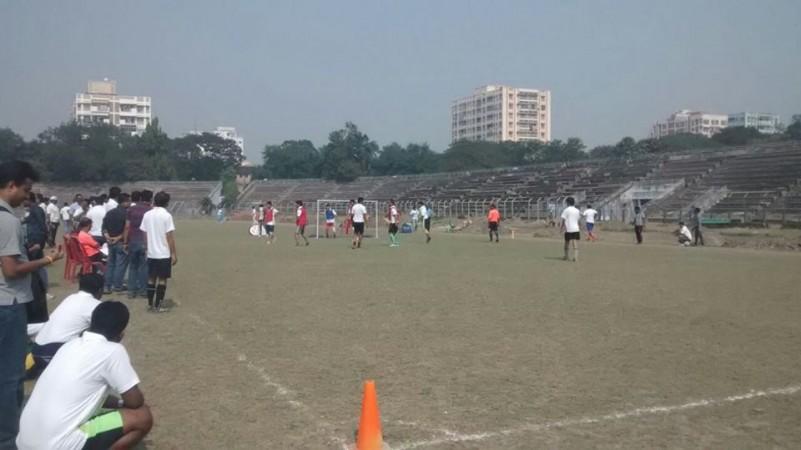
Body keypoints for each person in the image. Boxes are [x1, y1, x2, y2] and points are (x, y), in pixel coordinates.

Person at [17, 301, 153, 450]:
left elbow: (83, 393)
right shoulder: (113, 351)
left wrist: (119, 404)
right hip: (56, 444)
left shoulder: (69, 345)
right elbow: (135, 402)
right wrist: (125, 403)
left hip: (25, 441)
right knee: (142, 416)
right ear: (121, 334)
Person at [0, 160, 64, 448]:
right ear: (11, 185)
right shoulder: (8, 220)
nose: (27, 196)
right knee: (10, 376)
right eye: (25, 190)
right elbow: (11, 269)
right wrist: (47, 260)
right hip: (8, 303)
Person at [28, 273, 104, 376]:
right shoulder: (96, 306)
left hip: (37, 348)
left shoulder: (71, 297)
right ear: (100, 290)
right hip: (51, 351)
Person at [140, 191, 177, 312]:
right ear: (167, 203)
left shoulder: (147, 215)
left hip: (151, 253)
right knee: (162, 279)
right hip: (163, 253)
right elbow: (169, 236)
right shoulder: (167, 216)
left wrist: (147, 248)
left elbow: (144, 234)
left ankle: (150, 304)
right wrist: (173, 253)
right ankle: (158, 305)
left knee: (151, 278)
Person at [125, 190, 151, 299]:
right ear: (150, 199)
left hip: (133, 240)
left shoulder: (131, 209)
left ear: (140, 198)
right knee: (144, 267)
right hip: (145, 241)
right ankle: (143, 290)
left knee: (132, 267)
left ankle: (131, 291)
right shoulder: (150, 210)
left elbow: (127, 226)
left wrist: (126, 241)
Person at [103, 193, 130, 294]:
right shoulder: (127, 214)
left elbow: (104, 227)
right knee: (120, 264)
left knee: (110, 264)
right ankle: (117, 285)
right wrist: (118, 238)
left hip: (110, 241)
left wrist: (108, 237)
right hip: (120, 241)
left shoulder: (109, 212)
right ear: (125, 202)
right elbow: (127, 229)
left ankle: (107, 285)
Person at [560, 197, 581, 262]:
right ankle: (575, 256)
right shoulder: (577, 210)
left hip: (568, 229)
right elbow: (578, 219)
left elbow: (563, 220)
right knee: (575, 242)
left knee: (567, 243)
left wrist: (561, 228)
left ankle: (566, 256)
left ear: (568, 203)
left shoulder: (566, 210)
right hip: (576, 228)